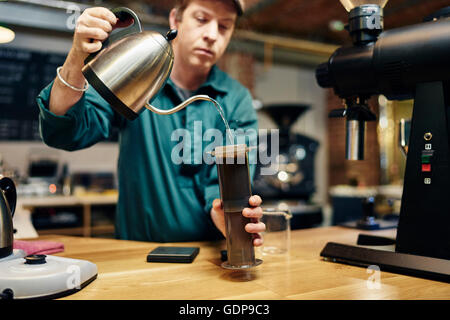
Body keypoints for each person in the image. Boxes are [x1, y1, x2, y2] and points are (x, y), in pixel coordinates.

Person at [36, 0, 265, 245]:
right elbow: (65, 131)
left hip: (207, 258)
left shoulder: (235, 98)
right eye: (201, 19)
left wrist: (226, 211)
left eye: (224, 27)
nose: (211, 35)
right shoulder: (136, 74)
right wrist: (77, 57)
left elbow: (228, 182)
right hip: (137, 255)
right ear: (175, 19)